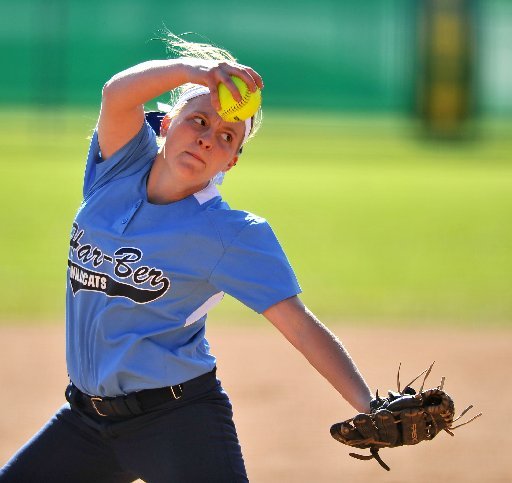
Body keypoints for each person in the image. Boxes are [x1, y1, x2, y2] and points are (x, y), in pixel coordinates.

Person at [0, 33, 372, 482]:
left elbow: (299, 324)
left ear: (232, 161)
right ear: (166, 123)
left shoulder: (230, 234)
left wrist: (369, 405)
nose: (206, 140)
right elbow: (116, 93)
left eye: (226, 137)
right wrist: (197, 72)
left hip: (176, 422)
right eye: (197, 121)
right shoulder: (118, 166)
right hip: (85, 422)